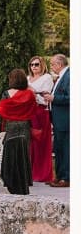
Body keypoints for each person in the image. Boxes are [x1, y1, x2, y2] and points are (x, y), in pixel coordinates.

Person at [0, 68, 35, 195]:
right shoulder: (29, 94)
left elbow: (0, 110)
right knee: (24, 152)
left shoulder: (7, 93)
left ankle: (10, 179)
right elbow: (33, 109)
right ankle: (24, 180)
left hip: (10, 125)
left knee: (10, 152)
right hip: (24, 125)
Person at [26, 55, 55, 184]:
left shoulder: (47, 77)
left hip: (41, 111)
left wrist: (33, 93)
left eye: (36, 64)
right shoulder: (27, 78)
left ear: (42, 65)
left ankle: (41, 173)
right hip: (28, 112)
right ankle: (29, 172)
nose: (34, 67)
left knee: (41, 143)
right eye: (32, 65)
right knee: (30, 143)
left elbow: (45, 96)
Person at [49, 54, 69, 187]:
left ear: (59, 64)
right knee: (59, 148)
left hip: (65, 120)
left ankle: (66, 178)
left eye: (52, 64)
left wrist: (53, 98)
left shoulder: (69, 76)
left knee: (66, 149)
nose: (51, 66)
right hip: (58, 119)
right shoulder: (62, 76)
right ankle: (59, 176)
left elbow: (70, 97)